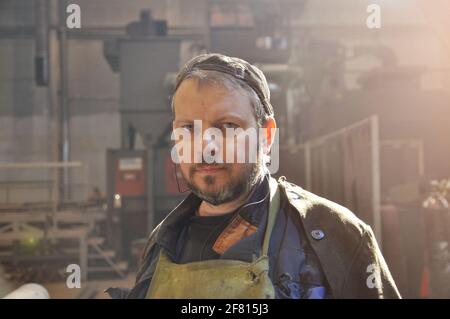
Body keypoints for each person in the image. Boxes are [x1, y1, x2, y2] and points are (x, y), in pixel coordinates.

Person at [107, 53, 400, 299]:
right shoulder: (164, 241)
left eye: (228, 127)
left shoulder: (333, 236)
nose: (205, 146)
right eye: (189, 129)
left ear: (266, 135)